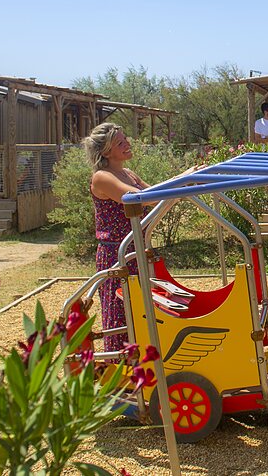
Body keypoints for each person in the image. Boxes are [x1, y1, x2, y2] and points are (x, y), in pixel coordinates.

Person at [84, 122, 202, 352]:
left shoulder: (127, 173)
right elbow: (140, 197)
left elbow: (156, 196)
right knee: (121, 311)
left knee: (143, 309)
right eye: (120, 142)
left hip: (135, 249)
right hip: (116, 254)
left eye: (125, 139)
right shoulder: (102, 177)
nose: (128, 144)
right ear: (107, 151)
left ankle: (146, 363)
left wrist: (183, 183)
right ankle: (122, 369)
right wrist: (182, 179)